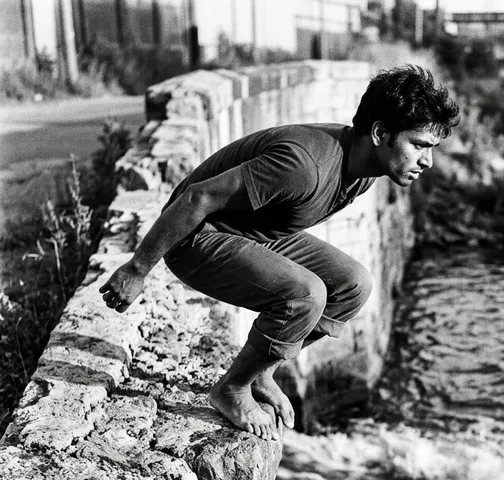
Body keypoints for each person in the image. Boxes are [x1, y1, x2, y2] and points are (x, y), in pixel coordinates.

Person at [99, 65, 459, 440]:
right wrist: (137, 269)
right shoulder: (304, 166)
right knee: (305, 295)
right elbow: (197, 197)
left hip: (251, 232)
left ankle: (261, 372)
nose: (427, 161)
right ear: (381, 133)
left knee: (354, 285)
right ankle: (231, 389)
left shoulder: (365, 169)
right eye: (419, 145)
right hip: (194, 236)